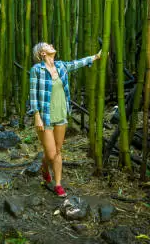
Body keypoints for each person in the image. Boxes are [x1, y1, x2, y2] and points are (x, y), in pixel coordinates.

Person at [27, 43, 101, 197]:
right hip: (45, 118)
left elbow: (77, 63)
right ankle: (45, 168)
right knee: (51, 153)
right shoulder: (37, 70)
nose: (52, 45)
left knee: (57, 151)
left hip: (61, 115)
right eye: (48, 45)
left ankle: (58, 184)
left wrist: (96, 57)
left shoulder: (61, 66)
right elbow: (33, 95)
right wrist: (36, 117)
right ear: (42, 53)